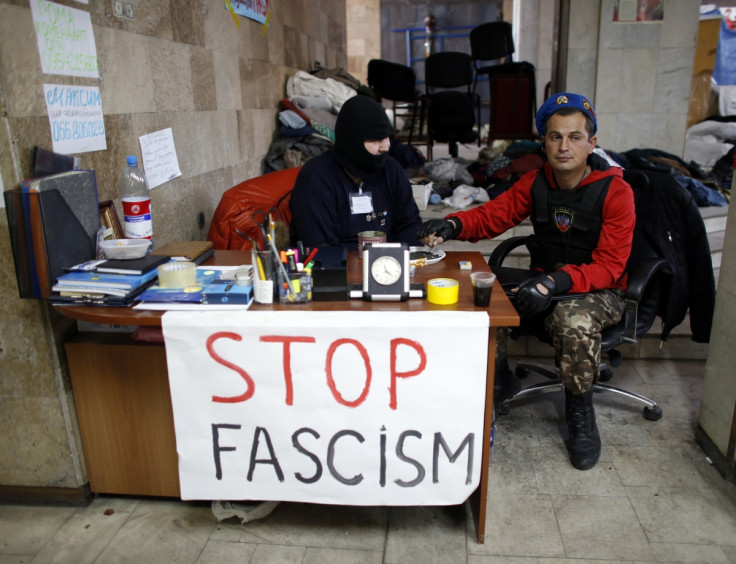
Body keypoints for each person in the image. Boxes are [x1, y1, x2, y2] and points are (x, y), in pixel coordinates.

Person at [418, 93, 635, 471]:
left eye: (574, 137)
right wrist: (453, 224)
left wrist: (555, 283)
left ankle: (580, 412)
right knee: (484, 295)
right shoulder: (536, 182)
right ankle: (498, 381)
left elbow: (610, 266)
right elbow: (493, 215)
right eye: (554, 137)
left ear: (591, 143)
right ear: (544, 142)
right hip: (544, 280)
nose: (564, 146)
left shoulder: (617, 192)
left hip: (598, 290)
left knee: (573, 321)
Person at [289, 95, 422, 250]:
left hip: (388, 265)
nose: (385, 147)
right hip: (337, 267)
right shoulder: (315, 179)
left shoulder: (391, 170)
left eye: (386, 138)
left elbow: (409, 223)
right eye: (375, 140)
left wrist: (406, 261)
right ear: (353, 142)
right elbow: (321, 249)